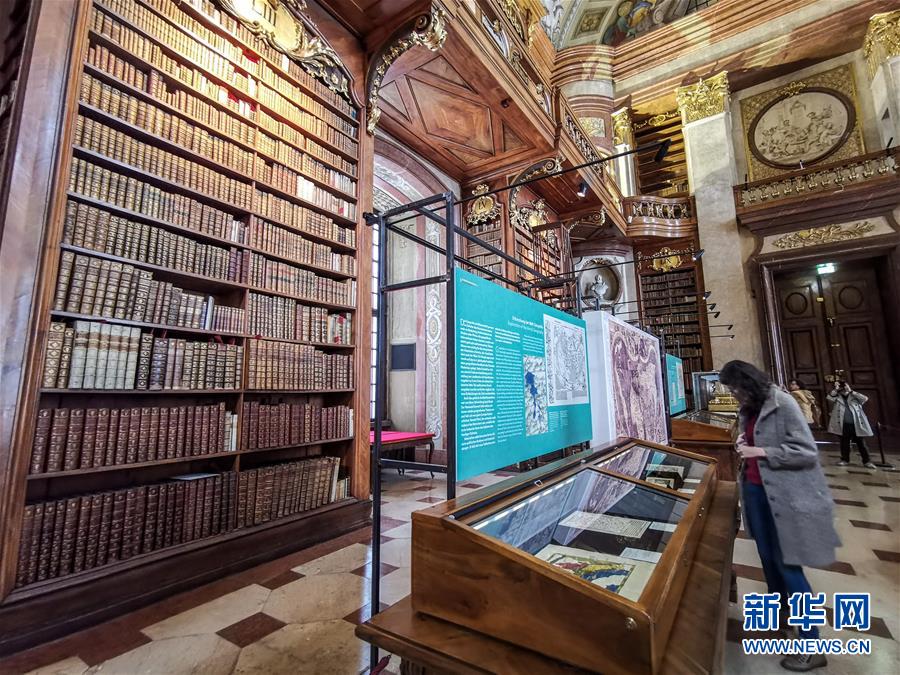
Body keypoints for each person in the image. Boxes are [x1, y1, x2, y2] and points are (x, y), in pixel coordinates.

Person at [719, 360, 839, 673]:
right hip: (756, 493)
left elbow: (806, 452)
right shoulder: (748, 407)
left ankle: (812, 646)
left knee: (788, 566)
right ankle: (783, 615)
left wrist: (762, 452)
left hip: (785, 498)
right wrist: (744, 442)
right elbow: (753, 438)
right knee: (768, 558)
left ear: (748, 381)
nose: (733, 394)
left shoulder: (782, 403)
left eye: (735, 388)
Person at [827, 380, 875, 468]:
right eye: (841, 386)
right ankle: (844, 459)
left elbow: (865, 398)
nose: (843, 388)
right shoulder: (837, 397)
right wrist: (836, 389)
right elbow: (829, 397)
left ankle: (867, 461)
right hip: (844, 424)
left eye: (844, 385)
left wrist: (850, 391)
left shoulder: (854, 396)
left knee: (861, 444)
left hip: (856, 424)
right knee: (844, 443)